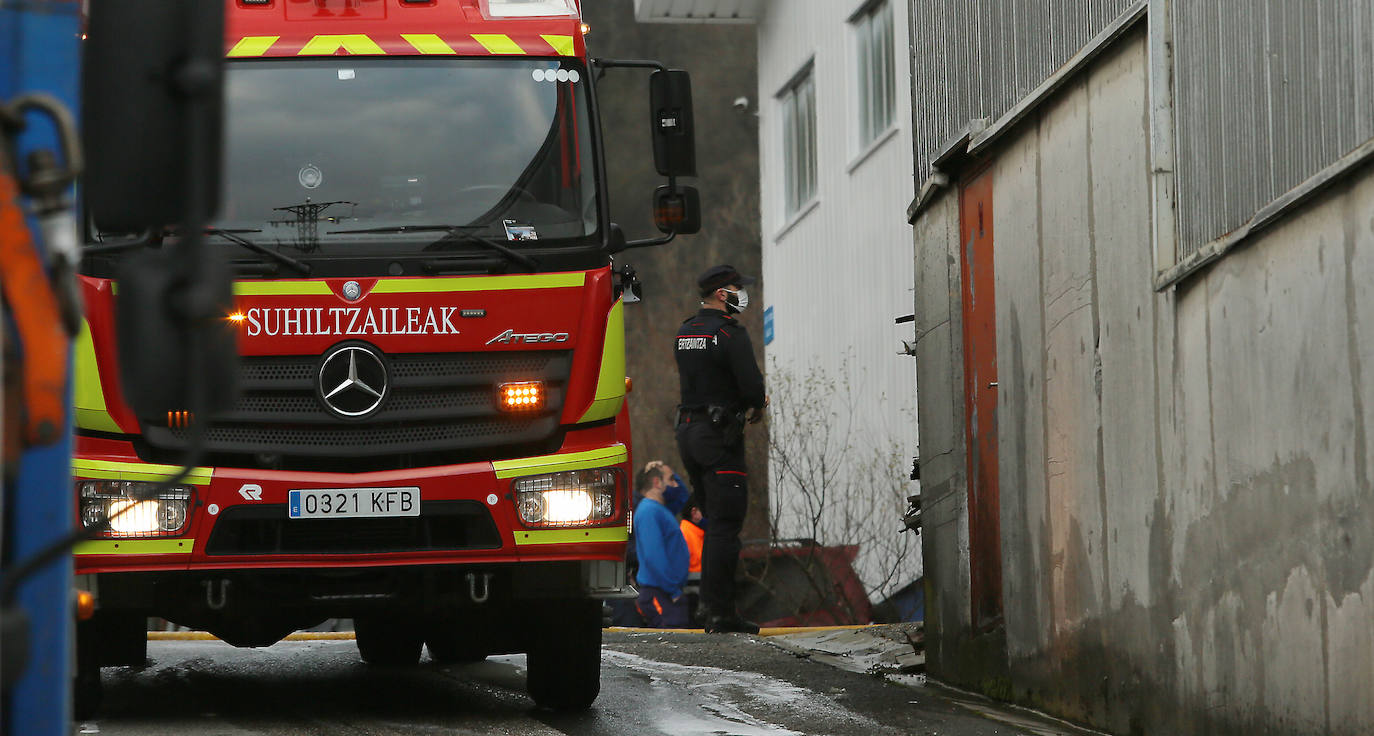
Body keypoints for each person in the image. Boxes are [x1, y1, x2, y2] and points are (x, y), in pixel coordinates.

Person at [673, 264, 767, 634]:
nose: (742, 294)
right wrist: (756, 403)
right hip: (718, 438)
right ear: (721, 294)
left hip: (688, 433)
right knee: (727, 525)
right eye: (736, 288)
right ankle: (720, 613)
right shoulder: (730, 334)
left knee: (714, 523)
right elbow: (753, 389)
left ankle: (709, 610)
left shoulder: (685, 332)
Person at [632, 464, 690, 628]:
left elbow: (683, 496)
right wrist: (673, 591)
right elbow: (653, 555)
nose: (675, 484)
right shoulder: (649, 511)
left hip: (666, 592)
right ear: (657, 483)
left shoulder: (662, 509)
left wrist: (665, 468)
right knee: (672, 644)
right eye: (671, 479)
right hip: (661, 593)